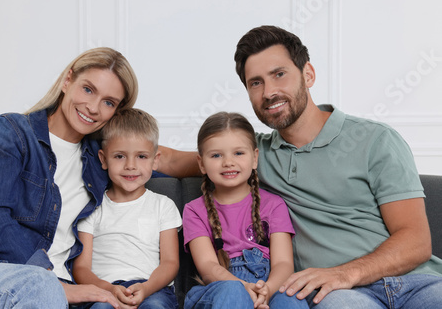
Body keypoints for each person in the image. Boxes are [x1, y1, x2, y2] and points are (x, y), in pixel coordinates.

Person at [159, 25, 442, 308]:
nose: (269, 91)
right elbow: (164, 158)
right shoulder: (249, 155)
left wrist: (345, 273)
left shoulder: (375, 139)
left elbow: (416, 241)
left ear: (308, 74)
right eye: (255, 83)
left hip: (417, 283)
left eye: (279, 74)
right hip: (342, 297)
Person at [0, 47, 139, 308]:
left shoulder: (100, 159)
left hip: (54, 290)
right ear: (68, 80)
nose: (93, 108)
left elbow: (157, 159)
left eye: (109, 102)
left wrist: (207, 157)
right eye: (88, 89)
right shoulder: (11, 132)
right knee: (40, 286)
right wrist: (53, 282)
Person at [182, 112, 308, 309]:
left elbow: (283, 264)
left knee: (290, 298)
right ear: (202, 164)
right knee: (233, 292)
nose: (228, 162)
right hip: (220, 288)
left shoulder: (273, 205)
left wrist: (266, 292)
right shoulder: (194, 210)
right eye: (216, 155)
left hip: (267, 286)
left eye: (238, 153)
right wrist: (244, 287)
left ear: (255, 157)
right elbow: (208, 267)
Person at [73, 108, 182, 309]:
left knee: (155, 307)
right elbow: (81, 268)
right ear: (103, 159)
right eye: (120, 156)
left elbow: (170, 263)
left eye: (141, 156)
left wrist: (147, 288)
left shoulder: (163, 205)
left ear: (155, 160)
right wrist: (107, 289)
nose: (130, 165)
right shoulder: (92, 208)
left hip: (152, 288)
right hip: (103, 288)